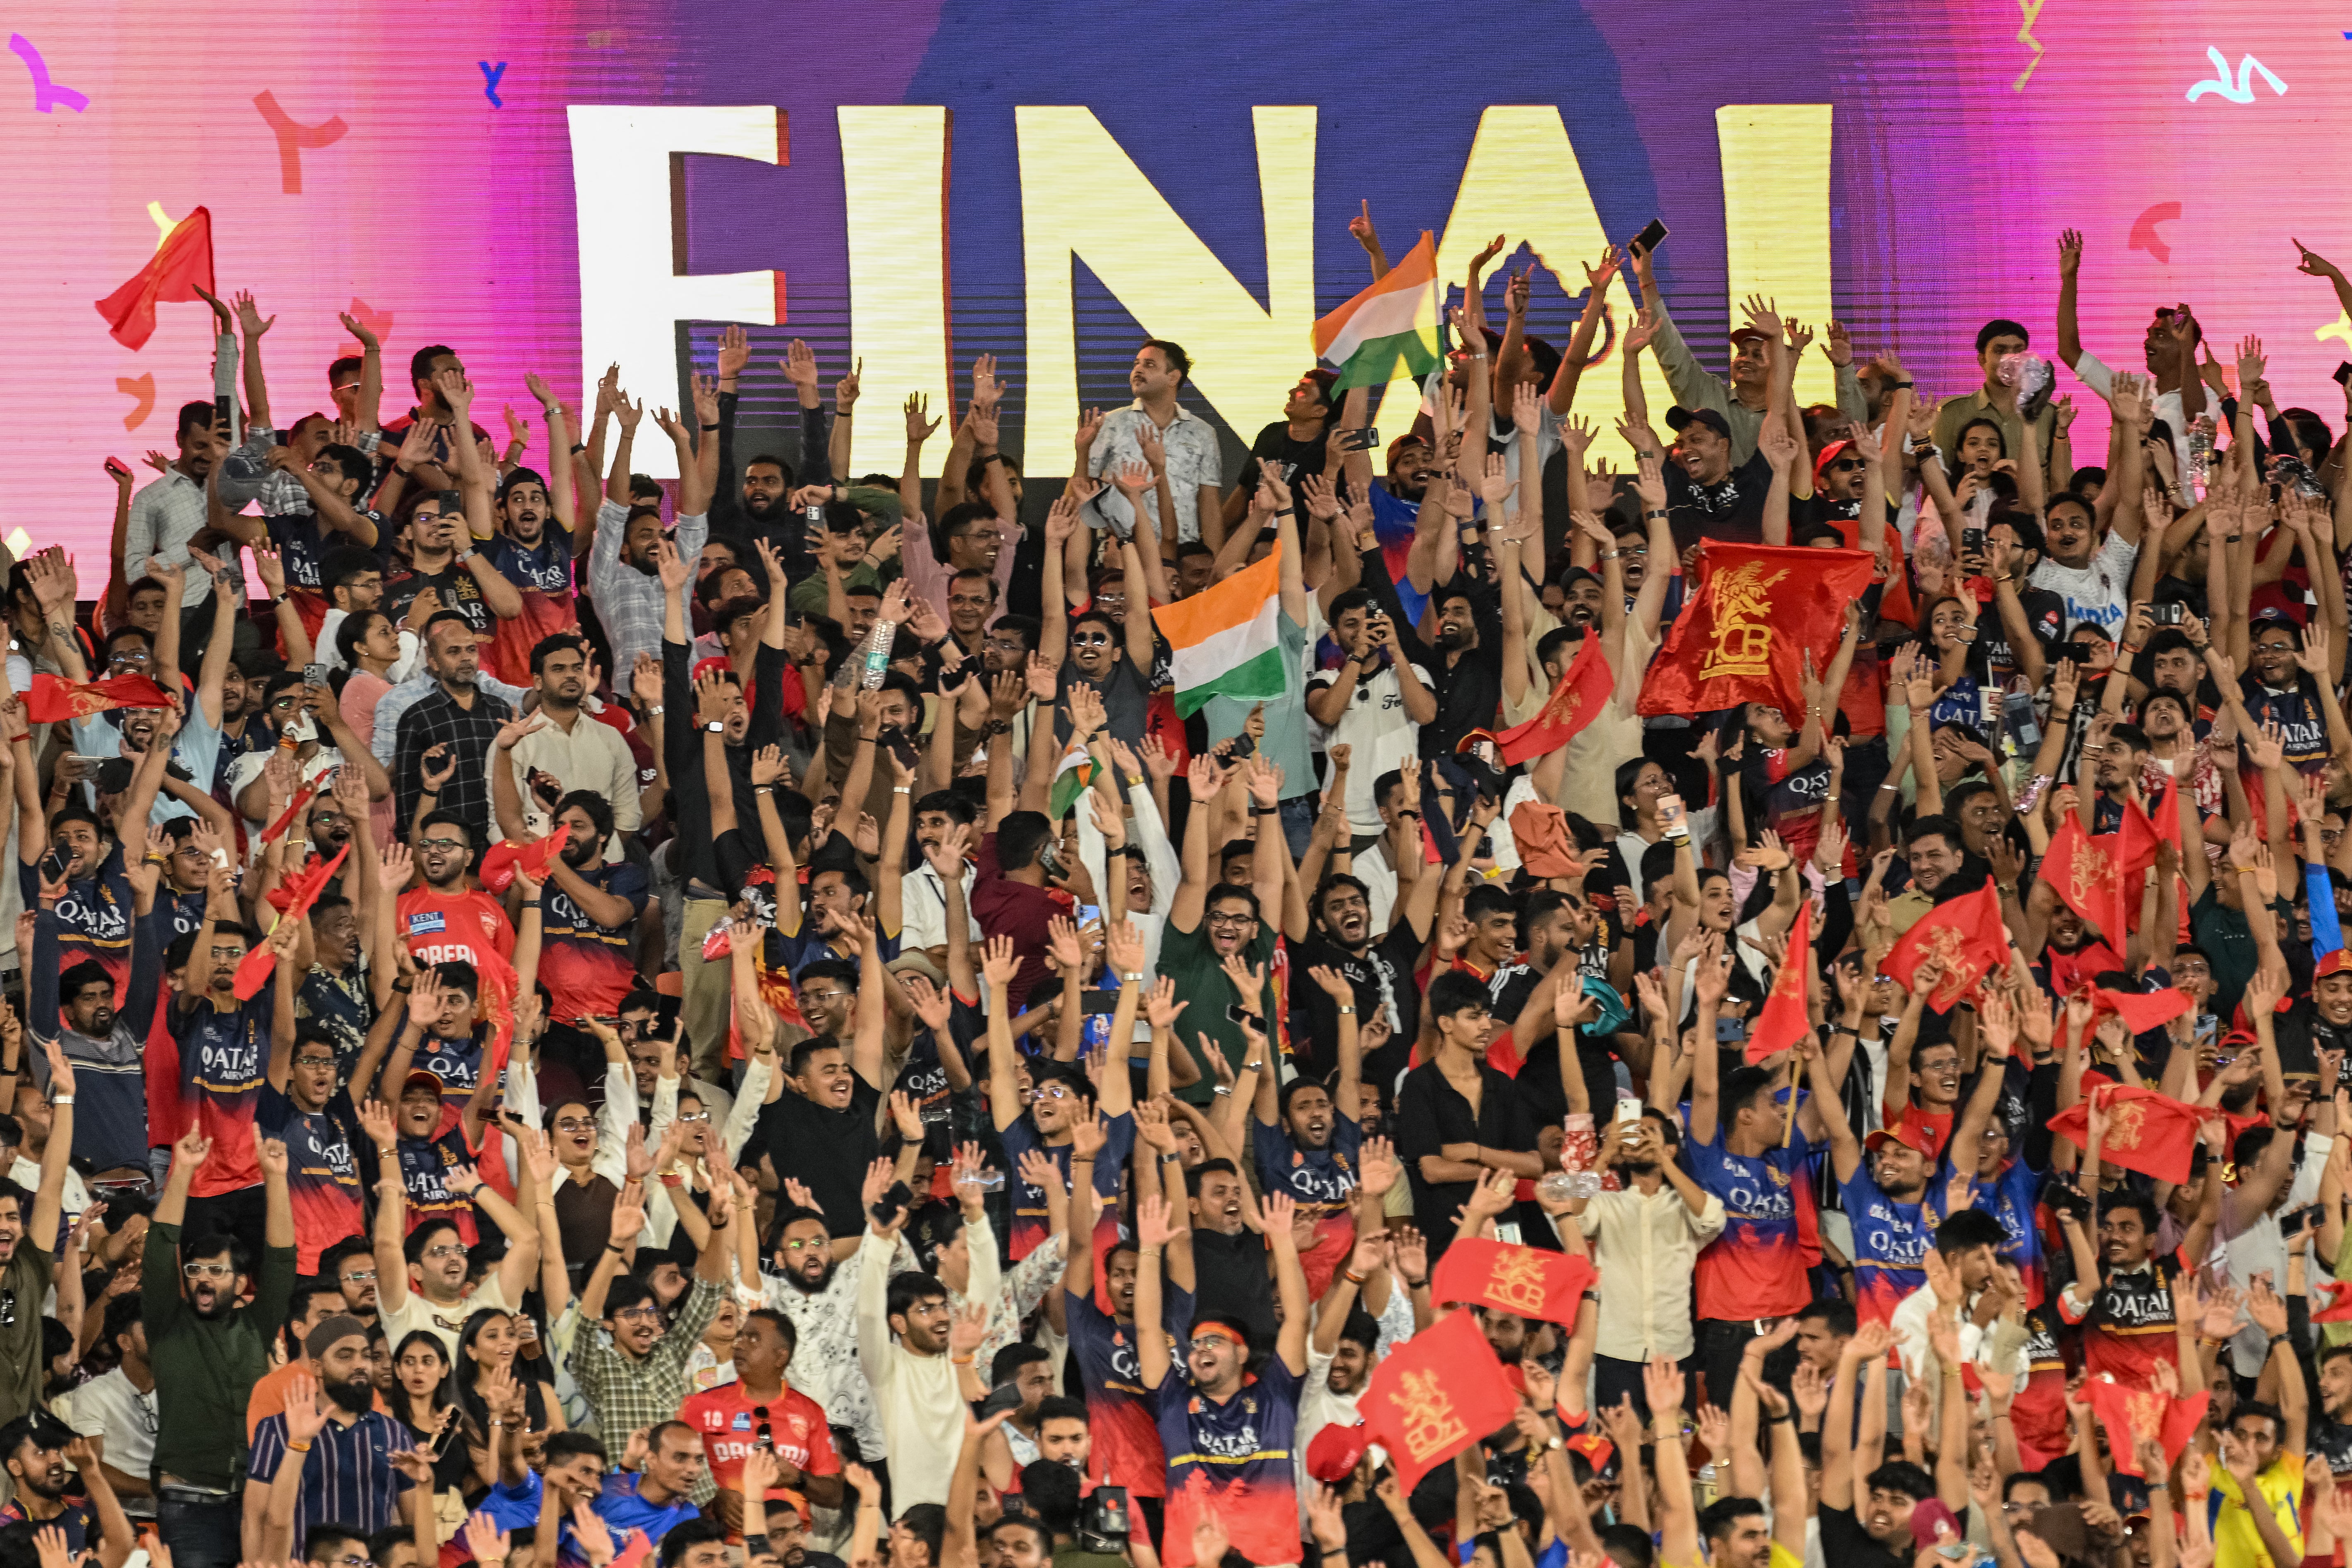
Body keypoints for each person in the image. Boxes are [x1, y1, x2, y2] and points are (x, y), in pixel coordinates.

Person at [143, 1120, 299, 1568]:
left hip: (255, 1498)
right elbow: (160, 1248)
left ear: (241, 1281)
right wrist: (183, 1173)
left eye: (216, 1270)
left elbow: (283, 1258)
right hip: (189, 1504)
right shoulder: (166, 1322)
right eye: (194, 1271)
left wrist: (274, 1178)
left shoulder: (258, 1323)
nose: (203, 1278)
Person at [244, 1317, 416, 1556]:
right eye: (345, 1356)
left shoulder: (394, 1433)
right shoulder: (276, 1430)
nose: (360, 1365)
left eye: (366, 1356)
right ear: (317, 1367)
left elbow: (413, 1528)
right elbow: (254, 1518)